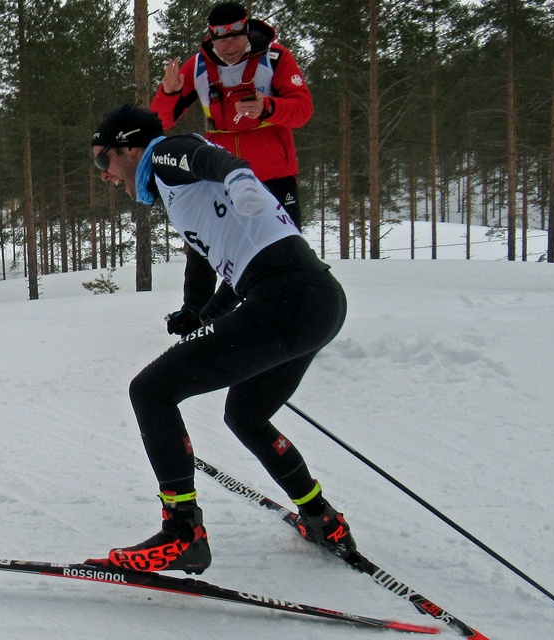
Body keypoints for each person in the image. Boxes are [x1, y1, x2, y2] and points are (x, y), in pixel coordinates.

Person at [86, 104, 355, 575]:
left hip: (285, 300)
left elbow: (216, 161)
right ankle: (321, 517)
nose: (104, 176)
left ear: (129, 149)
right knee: (246, 415)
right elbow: (230, 261)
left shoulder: (165, 154)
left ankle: (182, 533)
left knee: (151, 391)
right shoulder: (178, 191)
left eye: (102, 161)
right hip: (315, 301)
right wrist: (202, 313)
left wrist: (241, 180)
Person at [150, 1, 314, 335]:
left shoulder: (275, 58)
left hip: (273, 170)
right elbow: (158, 121)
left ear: (247, 30)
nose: (229, 45)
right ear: (210, 38)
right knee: (205, 244)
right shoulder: (198, 67)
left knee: (286, 242)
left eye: (235, 36)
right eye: (220, 38)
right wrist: (167, 93)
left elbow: (302, 110)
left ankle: (292, 310)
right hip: (219, 174)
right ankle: (195, 315)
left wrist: (268, 107)